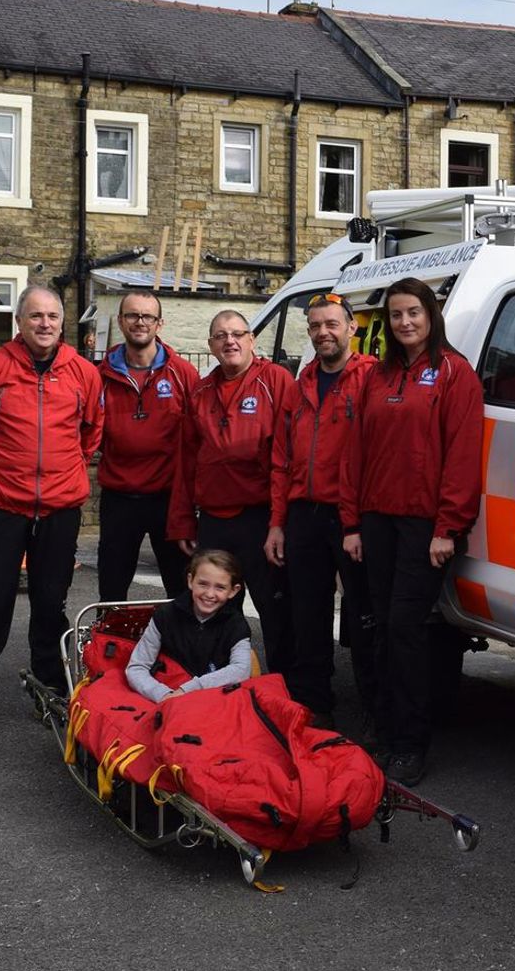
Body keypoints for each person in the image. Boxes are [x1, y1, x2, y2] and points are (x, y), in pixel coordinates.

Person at [341, 277, 484, 786]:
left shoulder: (454, 373)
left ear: (431, 315)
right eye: (396, 315)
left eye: (413, 314)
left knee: (405, 628)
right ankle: (384, 729)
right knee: (379, 624)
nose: (405, 323)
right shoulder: (376, 377)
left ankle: (410, 743)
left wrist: (448, 527)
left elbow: (464, 457)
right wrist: (351, 522)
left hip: (426, 526)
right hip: (376, 520)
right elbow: (355, 453)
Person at [0, 285, 104, 734]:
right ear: (20, 322)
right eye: (36, 316)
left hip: (59, 508)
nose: (46, 323)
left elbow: (92, 430)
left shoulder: (83, 373)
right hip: (0, 506)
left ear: (62, 321)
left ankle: (50, 687)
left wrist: (67, 470)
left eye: (53, 316)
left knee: (50, 604)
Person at [266, 293, 376, 728]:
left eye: (331, 324)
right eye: (315, 326)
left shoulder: (372, 379)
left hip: (353, 518)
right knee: (307, 617)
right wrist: (277, 523)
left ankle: (375, 712)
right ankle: (314, 708)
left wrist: (360, 520)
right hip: (304, 516)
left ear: (352, 328)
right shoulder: (302, 384)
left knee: (365, 617)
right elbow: (281, 459)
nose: (323, 333)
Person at [167, 311, 297, 674]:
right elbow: (186, 461)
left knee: (275, 612)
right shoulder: (201, 392)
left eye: (238, 333)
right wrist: (181, 522)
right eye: (221, 336)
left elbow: (288, 458)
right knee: (215, 611)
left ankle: (284, 690)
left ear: (252, 340)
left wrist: (280, 522)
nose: (230, 341)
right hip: (213, 523)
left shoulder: (277, 381)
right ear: (210, 346)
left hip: (260, 520)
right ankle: (221, 690)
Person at [96, 289, 198, 601]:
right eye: (132, 315)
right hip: (118, 498)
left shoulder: (183, 374)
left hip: (168, 498)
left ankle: (180, 649)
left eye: (147, 316)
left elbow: (196, 438)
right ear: (121, 321)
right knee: (112, 590)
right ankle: (110, 647)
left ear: (159, 323)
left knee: (181, 588)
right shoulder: (98, 376)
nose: (140, 322)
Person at [125, 549, 252, 703]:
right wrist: (163, 695)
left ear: (233, 591)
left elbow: (241, 669)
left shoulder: (236, 624)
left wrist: (189, 689)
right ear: (190, 581)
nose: (210, 594)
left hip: (214, 697)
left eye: (220, 587)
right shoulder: (165, 615)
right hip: (164, 695)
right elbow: (137, 667)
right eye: (203, 584)